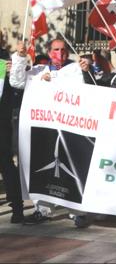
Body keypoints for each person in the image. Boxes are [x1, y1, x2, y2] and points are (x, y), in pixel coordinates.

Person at [10, 37, 92, 226]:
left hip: (69, 128)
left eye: (63, 50)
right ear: (48, 52)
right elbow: (16, 82)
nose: (60, 54)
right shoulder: (39, 71)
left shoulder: (76, 69)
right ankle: (43, 210)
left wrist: (87, 70)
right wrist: (21, 57)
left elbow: (91, 87)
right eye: (55, 50)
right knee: (42, 168)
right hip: (44, 129)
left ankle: (77, 212)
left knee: (71, 169)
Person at [0, 33, 23, 224]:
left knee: (6, 162)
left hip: (2, 120)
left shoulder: (7, 60)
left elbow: (17, 85)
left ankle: (17, 207)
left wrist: (11, 72)